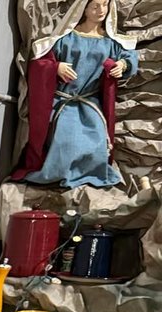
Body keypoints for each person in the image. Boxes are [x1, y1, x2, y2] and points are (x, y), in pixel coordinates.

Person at [12, 0, 138, 189]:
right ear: (84, 9)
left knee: (96, 141)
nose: (101, 10)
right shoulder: (66, 38)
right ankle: (59, 174)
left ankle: (89, 176)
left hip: (90, 104)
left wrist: (123, 65)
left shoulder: (111, 42)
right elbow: (40, 62)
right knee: (67, 141)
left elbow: (129, 57)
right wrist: (56, 67)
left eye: (105, 5)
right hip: (63, 103)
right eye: (95, 6)